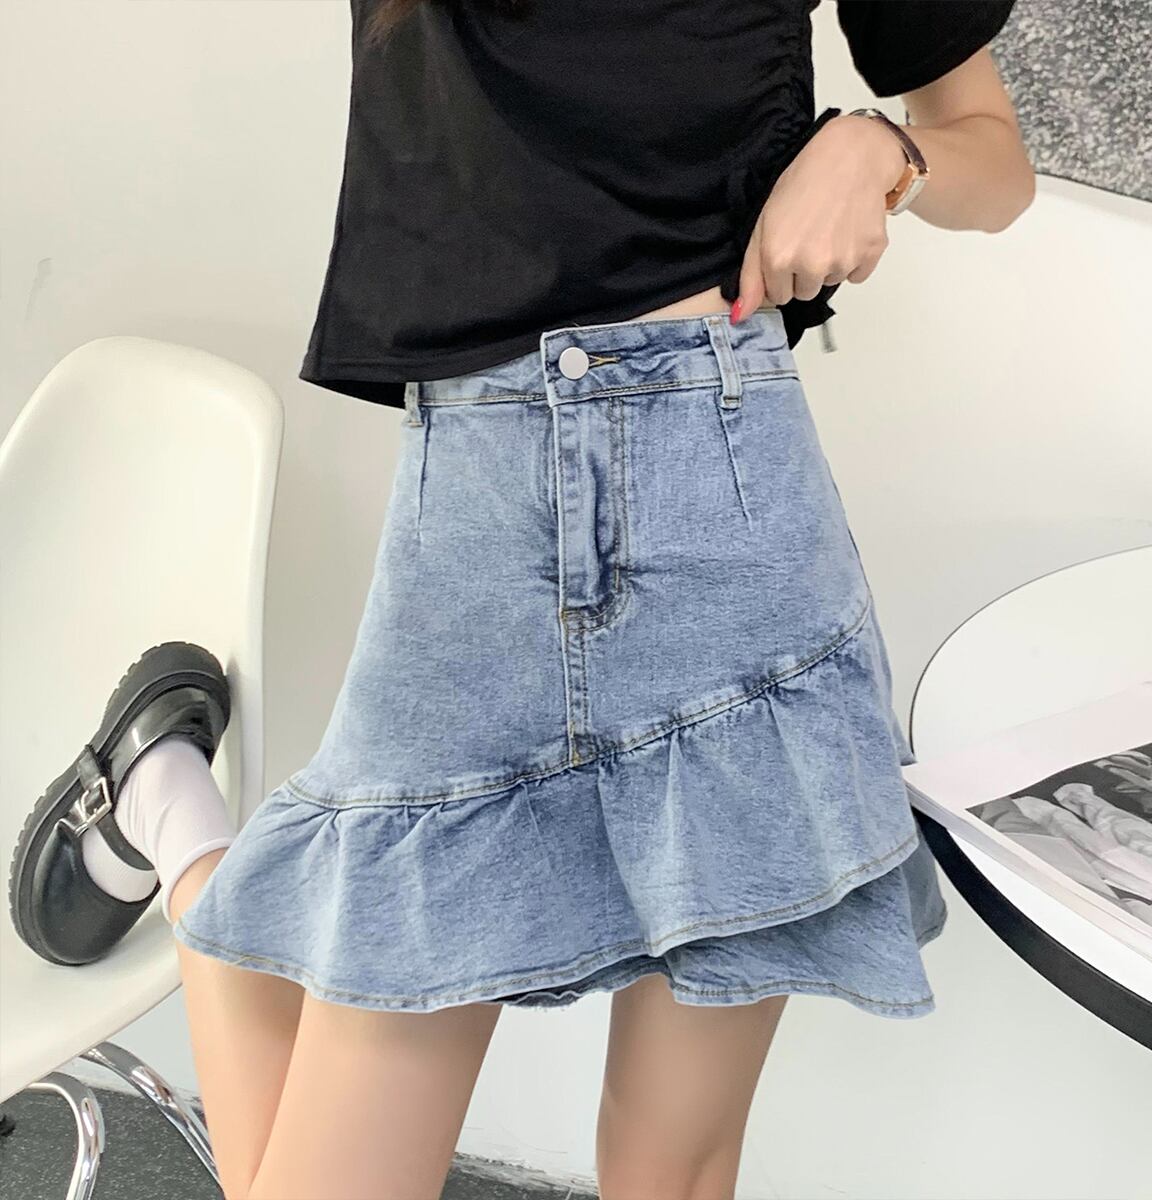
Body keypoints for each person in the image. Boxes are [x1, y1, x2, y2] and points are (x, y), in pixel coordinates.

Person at [9, 2, 1033, 1197]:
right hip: (483, 512)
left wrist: (883, 152)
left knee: (675, 1169)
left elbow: (992, 158)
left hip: (733, 498)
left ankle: (187, 829)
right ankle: (179, 817)